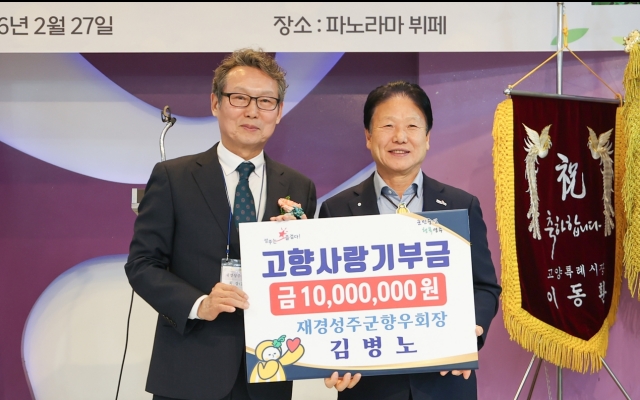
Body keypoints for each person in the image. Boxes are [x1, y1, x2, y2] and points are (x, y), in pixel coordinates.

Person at [125, 48, 317, 400]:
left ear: (279, 112)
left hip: (267, 372)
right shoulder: (173, 177)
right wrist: (199, 304)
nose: (252, 111)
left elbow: (306, 278)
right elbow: (142, 264)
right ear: (215, 103)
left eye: (265, 101)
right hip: (189, 370)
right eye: (239, 98)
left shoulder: (298, 186)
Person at [319, 81, 501, 400]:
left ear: (427, 138)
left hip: (445, 382)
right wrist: (329, 356)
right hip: (369, 386)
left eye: (412, 126)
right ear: (368, 136)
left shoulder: (461, 205)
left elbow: (484, 287)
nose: (400, 137)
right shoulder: (336, 209)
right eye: (388, 125)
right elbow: (324, 297)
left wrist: (469, 332)